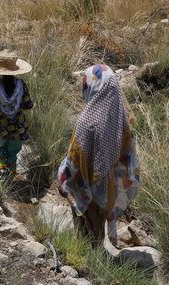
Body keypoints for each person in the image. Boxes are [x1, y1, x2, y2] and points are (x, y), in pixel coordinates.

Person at [57, 64, 140, 247]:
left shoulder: (87, 122)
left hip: (87, 191)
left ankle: (87, 266)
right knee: (98, 232)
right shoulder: (121, 119)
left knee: (86, 236)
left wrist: (61, 177)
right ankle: (98, 261)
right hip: (107, 189)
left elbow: (75, 161)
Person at [0, 50, 34, 178]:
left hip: (0, 127)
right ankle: (12, 175)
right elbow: (28, 105)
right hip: (17, 127)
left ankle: (1, 173)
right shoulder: (21, 85)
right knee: (13, 152)